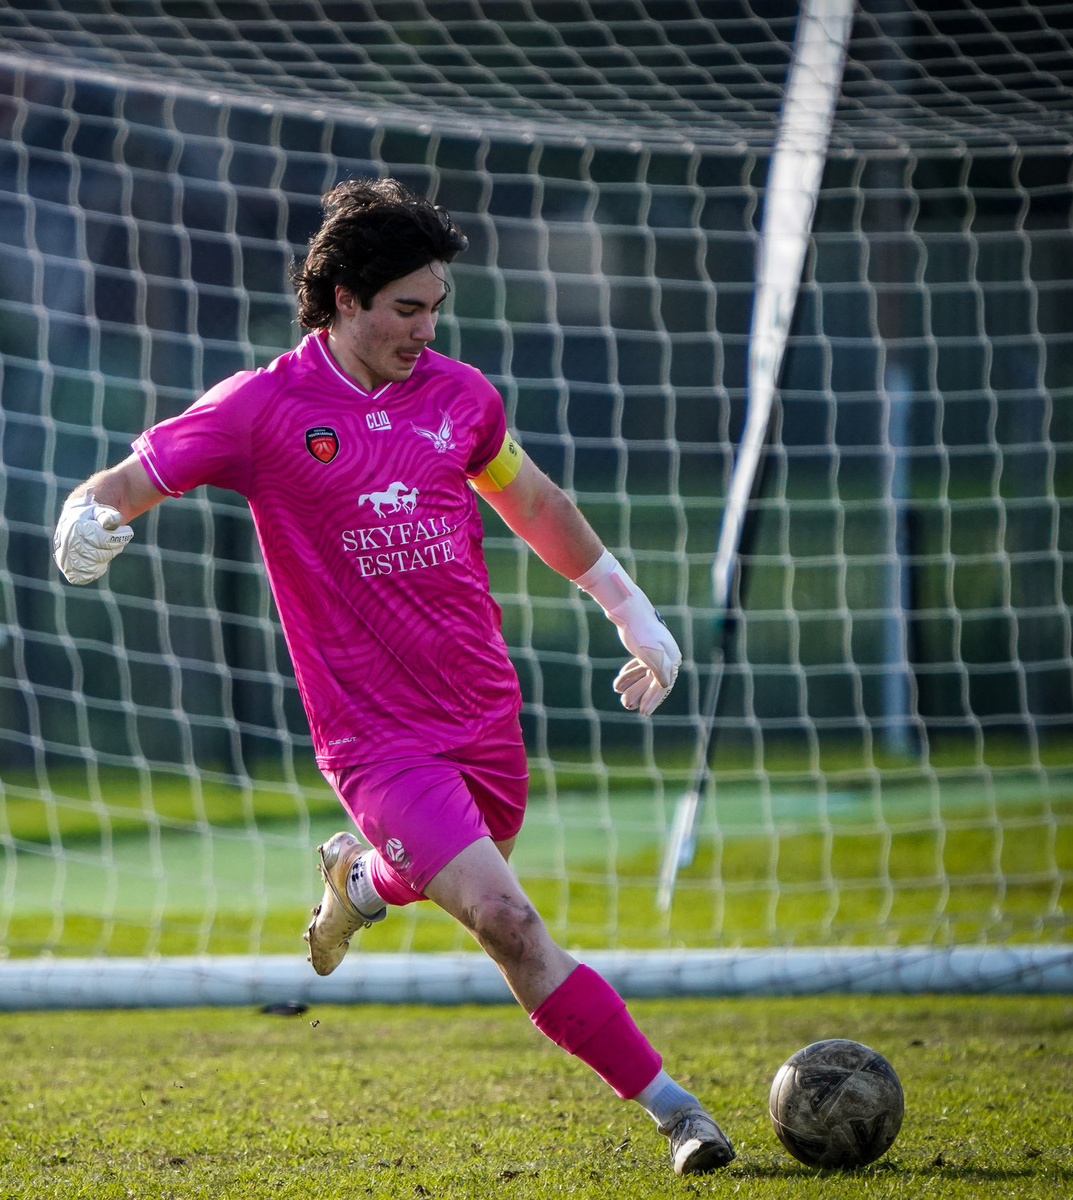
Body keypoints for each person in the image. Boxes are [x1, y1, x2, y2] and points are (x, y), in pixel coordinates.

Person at [52, 177, 735, 1176]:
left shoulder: (460, 400)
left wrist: (631, 610)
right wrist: (80, 523)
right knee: (505, 917)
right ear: (343, 301)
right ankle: (679, 1113)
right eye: (406, 309)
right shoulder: (261, 408)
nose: (426, 329)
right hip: (373, 734)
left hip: (481, 707)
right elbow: (122, 484)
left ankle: (360, 883)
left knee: (461, 867)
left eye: (435, 309)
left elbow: (534, 501)